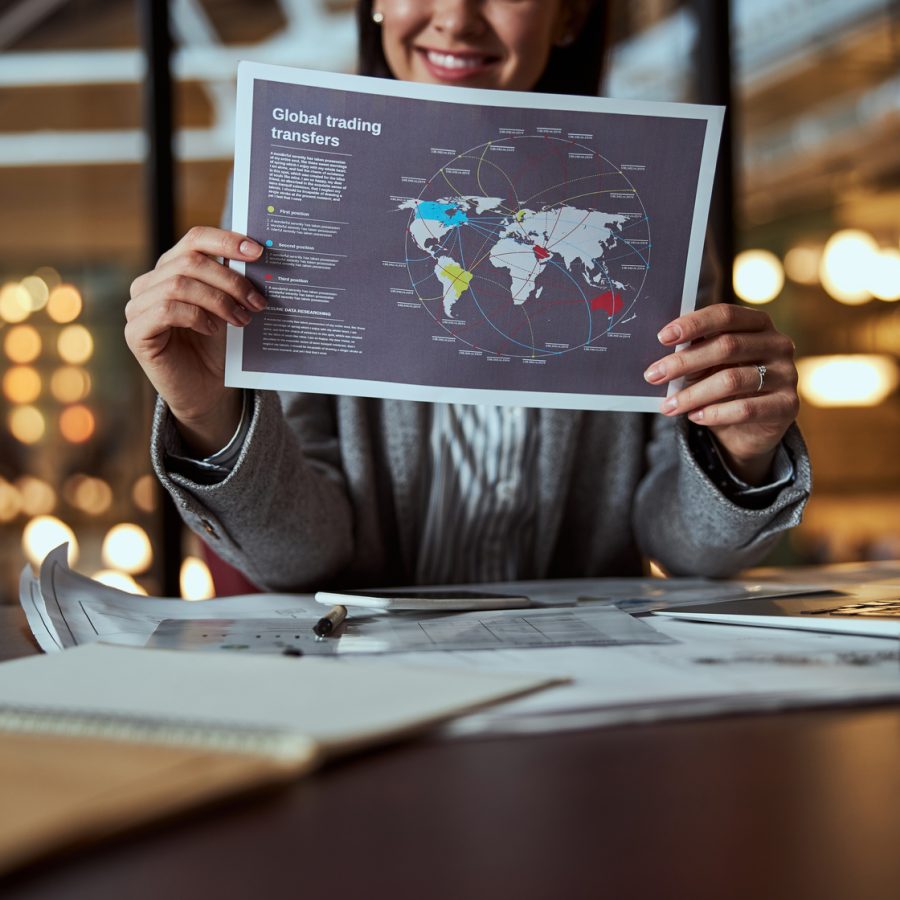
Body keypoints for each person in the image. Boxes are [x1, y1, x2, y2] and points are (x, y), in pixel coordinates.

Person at [125, 0, 810, 592]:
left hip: (580, 678)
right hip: (366, 676)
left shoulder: (646, 203)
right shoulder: (294, 183)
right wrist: (208, 414)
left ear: (570, 12)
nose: (455, 19)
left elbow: (680, 545)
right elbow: (303, 554)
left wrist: (742, 455)